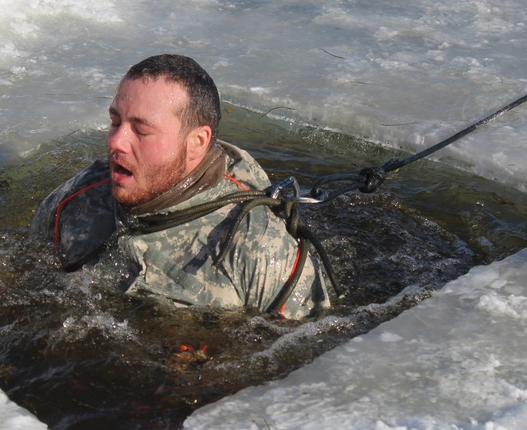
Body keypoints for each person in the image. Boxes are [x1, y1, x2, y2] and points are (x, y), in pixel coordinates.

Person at [30, 54, 332, 319]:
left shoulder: (258, 248)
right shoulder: (75, 200)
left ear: (196, 143)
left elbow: (307, 357)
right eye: (115, 122)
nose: (115, 142)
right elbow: (29, 278)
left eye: (141, 130)